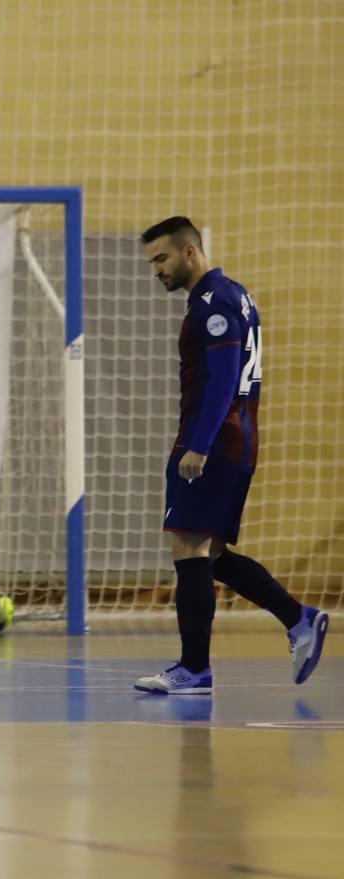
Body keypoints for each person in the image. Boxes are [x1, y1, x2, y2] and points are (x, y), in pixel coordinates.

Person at [134, 216, 327, 694]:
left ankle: (194, 669)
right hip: (232, 436)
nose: (156, 269)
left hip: (216, 438)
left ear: (190, 252)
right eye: (152, 261)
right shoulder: (233, 294)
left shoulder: (213, 302)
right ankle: (299, 618)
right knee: (211, 554)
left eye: (162, 258)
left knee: (188, 547)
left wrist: (199, 444)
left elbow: (223, 378)